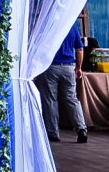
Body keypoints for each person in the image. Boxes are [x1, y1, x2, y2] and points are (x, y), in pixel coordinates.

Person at [37, 15, 89, 143]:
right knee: (71, 98)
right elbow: (79, 49)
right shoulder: (71, 28)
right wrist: (78, 68)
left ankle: (53, 132)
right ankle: (81, 128)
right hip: (68, 67)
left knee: (50, 100)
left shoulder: (48, 28)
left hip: (51, 67)